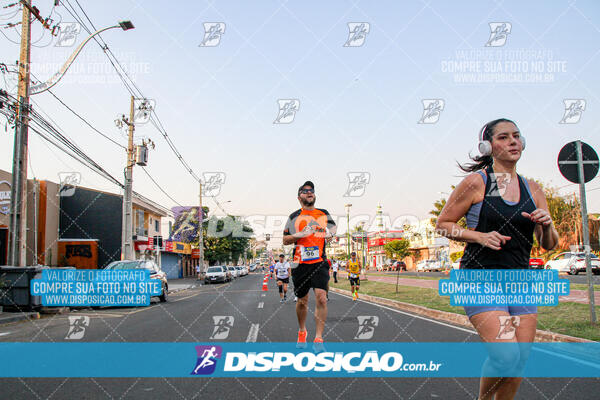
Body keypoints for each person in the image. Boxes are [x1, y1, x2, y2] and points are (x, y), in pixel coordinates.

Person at [436, 119, 558, 400]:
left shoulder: (533, 189)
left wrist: (548, 225)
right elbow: (443, 224)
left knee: (518, 363)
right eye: (504, 137)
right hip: (479, 278)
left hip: (519, 280)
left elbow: (549, 244)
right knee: (505, 355)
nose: (513, 141)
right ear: (488, 146)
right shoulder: (477, 182)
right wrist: (478, 237)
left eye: (517, 136)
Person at [283, 180, 336, 352]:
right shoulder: (293, 216)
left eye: (311, 190)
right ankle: (302, 331)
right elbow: (284, 240)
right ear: (299, 197)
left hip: (320, 261)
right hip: (300, 263)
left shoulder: (324, 213)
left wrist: (329, 234)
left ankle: (319, 338)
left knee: (321, 298)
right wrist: (300, 234)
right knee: (302, 301)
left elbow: (333, 230)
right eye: (305, 191)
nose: (309, 192)